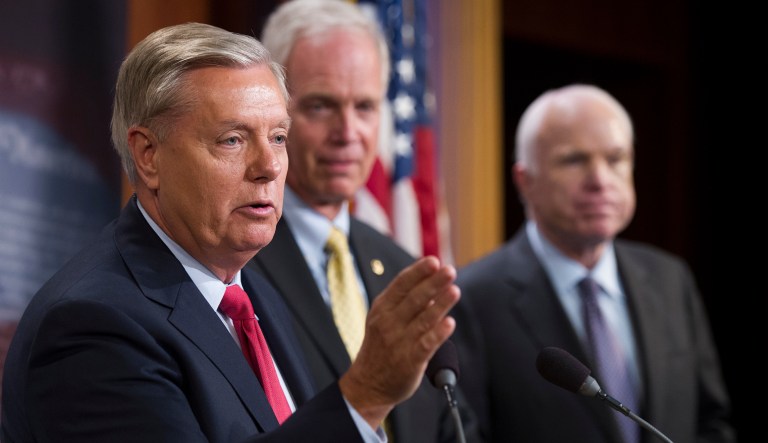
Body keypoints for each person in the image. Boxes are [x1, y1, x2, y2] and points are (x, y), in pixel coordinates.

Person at [0, 22, 461, 443]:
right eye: (233, 140)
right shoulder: (93, 323)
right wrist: (364, 395)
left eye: (278, 137)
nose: (268, 167)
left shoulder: (253, 293)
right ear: (148, 155)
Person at [248, 1, 481, 442]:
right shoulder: (236, 259)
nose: (348, 132)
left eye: (366, 107)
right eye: (321, 106)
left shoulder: (401, 266)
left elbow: (451, 425)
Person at [451, 84, 736, 443]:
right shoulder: (473, 299)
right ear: (526, 182)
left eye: (616, 159)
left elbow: (711, 424)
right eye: (574, 160)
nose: (601, 181)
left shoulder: (670, 279)